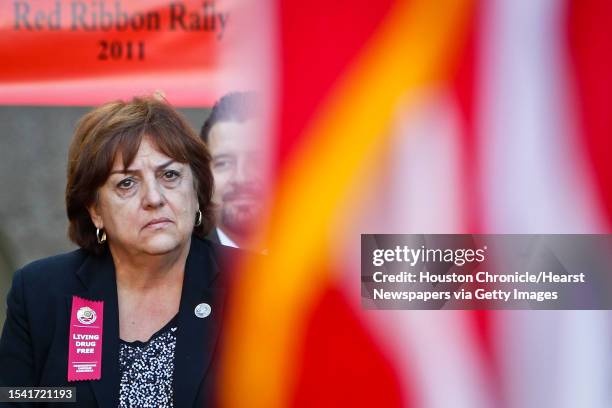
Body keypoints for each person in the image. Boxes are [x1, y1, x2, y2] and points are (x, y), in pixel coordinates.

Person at [0, 96, 237, 407]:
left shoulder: (255, 284)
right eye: (127, 183)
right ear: (95, 210)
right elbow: (16, 398)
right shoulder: (40, 292)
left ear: (196, 190)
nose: (154, 198)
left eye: (170, 175)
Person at [200, 92, 268, 252]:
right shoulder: (179, 269)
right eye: (223, 163)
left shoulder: (323, 262)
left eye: (257, 161)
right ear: (202, 176)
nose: (241, 177)